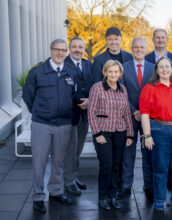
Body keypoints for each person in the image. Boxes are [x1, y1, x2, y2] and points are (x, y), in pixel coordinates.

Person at [23, 39, 77, 213]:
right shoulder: (38, 72)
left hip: (64, 124)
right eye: (56, 50)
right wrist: (39, 112)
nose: (60, 53)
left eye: (63, 50)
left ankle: (55, 191)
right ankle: (38, 196)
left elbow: (74, 96)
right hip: (42, 124)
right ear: (50, 50)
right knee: (39, 162)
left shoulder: (71, 72)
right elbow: (27, 96)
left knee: (59, 161)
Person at [139, 57, 172, 213]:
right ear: (157, 70)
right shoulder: (150, 88)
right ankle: (160, 199)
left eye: (167, 67)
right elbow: (144, 113)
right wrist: (147, 135)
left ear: (171, 68)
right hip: (159, 130)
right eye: (161, 67)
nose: (164, 70)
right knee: (161, 167)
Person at [88, 60, 134, 210]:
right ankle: (102, 196)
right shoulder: (97, 88)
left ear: (120, 73)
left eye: (116, 72)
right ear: (105, 72)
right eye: (110, 71)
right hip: (103, 132)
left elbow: (127, 112)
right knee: (106, 165)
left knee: (116, 165)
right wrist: (97, 133)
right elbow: (91, 112)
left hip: (120, 132)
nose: (113, 74)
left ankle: (112, 196)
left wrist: (130, 134)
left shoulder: (123, 89)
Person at [120, 37, 155, 199]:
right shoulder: (123, 67)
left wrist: (144, 111)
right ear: (131, 48)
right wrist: (135, 110)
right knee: (128, 152)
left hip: (149, 116)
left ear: (147, 48)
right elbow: (120, 92)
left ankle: (149, 185)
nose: (139, 50)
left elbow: (156, 92)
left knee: (148, 152)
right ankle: (126, 185)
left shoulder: (154, 68)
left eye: (142, 47)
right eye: (136, 47)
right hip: (129, 115)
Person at [63, 37, 93, 195]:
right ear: (69, 48)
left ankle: (74, 177)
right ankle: (68, 181)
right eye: (74, 47)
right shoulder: (63, 64)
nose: (77, 50)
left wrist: (90, 100)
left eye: (80, 47)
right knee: (70, 149)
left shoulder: (88, 64)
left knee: (78, 148)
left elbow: (94, 86)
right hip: (69, 116)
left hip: (84, 115)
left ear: (83, 49)